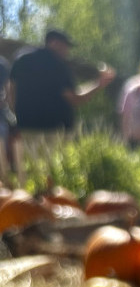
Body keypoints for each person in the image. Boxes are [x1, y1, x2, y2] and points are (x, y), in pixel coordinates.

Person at [8, 29, 117, 182]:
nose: (67, 51)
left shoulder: (21, 59)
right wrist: (99, 84)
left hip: (26, 129)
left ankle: (26, 205)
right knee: (54, 179)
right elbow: (75, 98)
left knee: (29, 177)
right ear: (53, 43)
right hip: (55, 133)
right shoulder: (57, 65)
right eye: (65, 46)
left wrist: (17, 115)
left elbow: (10, 91)